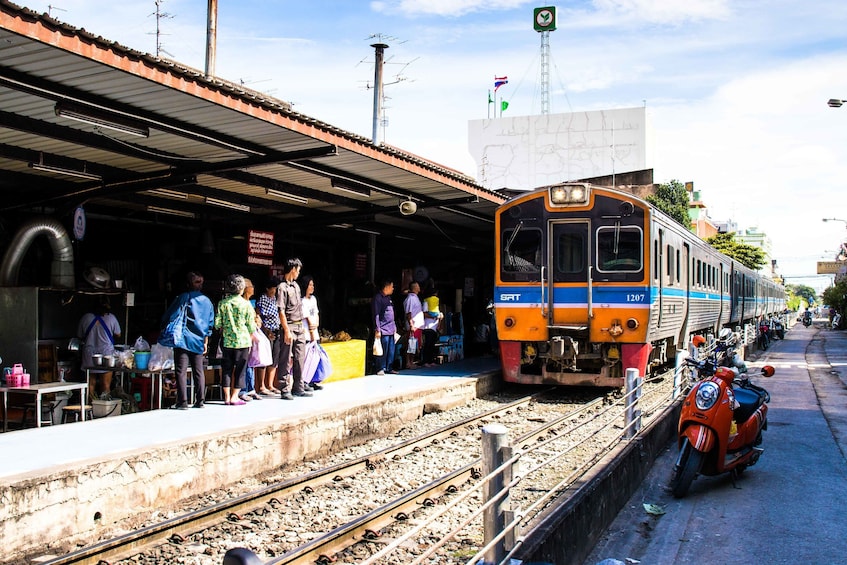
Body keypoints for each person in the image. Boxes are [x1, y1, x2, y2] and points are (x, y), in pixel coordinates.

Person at [159, 271, 215, 409]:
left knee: (181, 370)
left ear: (187, 283)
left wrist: (163, 325)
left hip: (183, 339)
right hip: (199, 340)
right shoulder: (208, 301)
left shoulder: (184, 297)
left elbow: (170, 314)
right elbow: (210, 324)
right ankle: (200, 400)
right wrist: (206, 341)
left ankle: (182, 402)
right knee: (198, 370)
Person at [214, 274, 256, 405]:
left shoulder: (222, 303)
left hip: (227, 341)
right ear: (242, 288)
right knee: (240, 370)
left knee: (226, 369)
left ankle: (226, 397)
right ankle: (234, 397)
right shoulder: (246, 304)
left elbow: (217, 324)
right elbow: (251, 325)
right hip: (243, 342)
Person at [276, 258, 313, 399]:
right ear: (292, 269)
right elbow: (281, 310)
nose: (298, 273)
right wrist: (286, 330)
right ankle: (284, 388)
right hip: (289, 325)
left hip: (299, 325)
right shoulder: (282, 288)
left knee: (300, 358)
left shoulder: (296, 286)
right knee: (285, 359)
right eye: (297, 270)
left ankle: (298, 386)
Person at [78, 298, 122, 400]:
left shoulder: (86, 318)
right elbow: (118, 334)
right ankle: (105, 409)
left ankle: (89, 408)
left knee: (90, 384)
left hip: (89, 355)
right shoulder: (111, 318)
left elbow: (80, 335)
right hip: (106, 355)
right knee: (105, 384)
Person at [254, 276, 282, 396]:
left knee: (274, 358)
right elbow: (259, 316)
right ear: (267, 288)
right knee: (264, 358)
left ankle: (270, 385)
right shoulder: (263, 299)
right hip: (266, 332)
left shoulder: (275, 299)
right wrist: (267, 331)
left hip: (276, 330)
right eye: (272, 289)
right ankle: (261, 386)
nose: (274, 291)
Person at [239, 278, 263, 402]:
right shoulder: (241, 303)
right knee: (244, 363)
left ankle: (251, 388)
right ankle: (243, 390)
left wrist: (258, 320)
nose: (253, 288)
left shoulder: (251, 303)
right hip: (245, 337)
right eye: (251, 286)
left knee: (251, 363)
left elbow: (256, 316)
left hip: (253, 335)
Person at [300, 275, 324, 390]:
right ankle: (304, 381)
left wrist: (317, 324)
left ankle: (313, 380)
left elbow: (316, 313)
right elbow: (306, 316)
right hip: (307, 332)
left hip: (315, 331)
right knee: (307, 357)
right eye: (310, 285)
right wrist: (311, 328)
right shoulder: (302, 301)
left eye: (313, 285)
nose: (312, 287)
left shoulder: (313, 299)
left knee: (315, 357)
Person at [372, 279, 397, 375]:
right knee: (382, 349)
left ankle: (389, 367)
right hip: (383, 328)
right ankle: (380, 368)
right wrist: (377, 329)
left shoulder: (388, 298)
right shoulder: (378, 298)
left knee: (391, 350)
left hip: (391, 327)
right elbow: (376, 314)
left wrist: (394, 326)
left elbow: (391, 313)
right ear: (386, 287)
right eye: (392, 286)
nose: (393, 288)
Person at [403, 281, 424, 369]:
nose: (419, 287)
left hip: (418, 325)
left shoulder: (415, 298)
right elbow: (409, 313)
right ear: (414, 287)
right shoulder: (411, 298)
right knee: (410, 344)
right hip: (414, 325)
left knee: (414, 345)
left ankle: (411, 362)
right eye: (418, 286)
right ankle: (408, 362)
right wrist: (411, 324)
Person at [421, 290, 441, 367]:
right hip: (428, 326)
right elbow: (425, 314)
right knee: (428, 344)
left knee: (432, 345)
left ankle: (430, 360)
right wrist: (433, 316)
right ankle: (425, 361)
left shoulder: (436, 303)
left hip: (434, 327)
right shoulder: (426, 302)